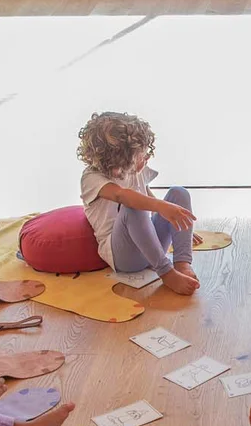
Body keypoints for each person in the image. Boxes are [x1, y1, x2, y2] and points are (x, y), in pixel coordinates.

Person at [78, 111, 199, 296]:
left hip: (151, 244)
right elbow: (122, 195)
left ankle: (182, 263)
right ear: (122, 160)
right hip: (124, 256)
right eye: (142, 154)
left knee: (178, 192)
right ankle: (166, 273)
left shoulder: (136, 170)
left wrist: (179, 226)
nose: (147, 156)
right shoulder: (91, 178)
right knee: (133, 206)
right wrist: (160, 207)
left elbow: (150, 200)